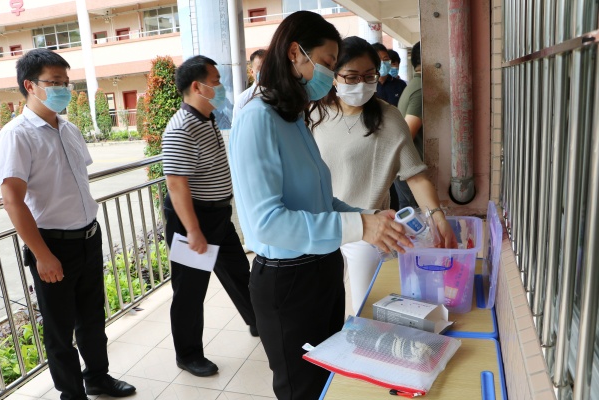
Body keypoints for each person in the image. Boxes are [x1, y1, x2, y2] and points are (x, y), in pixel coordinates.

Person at [229, 11, 415, 400]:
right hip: (288, 282)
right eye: (328, 63)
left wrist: (368, 217)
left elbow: (321, 200)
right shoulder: (257, 118)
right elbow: (267, 223)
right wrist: (360, 228)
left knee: (328, 381)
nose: (330, 76)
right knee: (303, 388)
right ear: (295, 53)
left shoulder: (294, 117)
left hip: (323, 269)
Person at [0, 48, 135, 400]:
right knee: (59, 330)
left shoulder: (69, 128)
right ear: (30, 85)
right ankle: (72, 394)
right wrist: (42, 255)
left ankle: (98, 378)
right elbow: (12, 200)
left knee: (92, 318)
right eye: (54, 82)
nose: (63, 89)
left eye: (65, 82)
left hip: (88, 237)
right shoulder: (17, 134)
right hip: (52, 244)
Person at [312, 36, 457, 314]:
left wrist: (437, 217)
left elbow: (415, 176)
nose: (361, 84)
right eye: (352, 76)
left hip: (368, 230)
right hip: (323, 226)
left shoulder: (388, 118)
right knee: (323, 309)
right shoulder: (315, 113)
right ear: (334, 76)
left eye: (369, 76)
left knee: (366, 311)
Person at [162, 55, 258, 378]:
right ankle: (188, 355)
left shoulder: (206, 118)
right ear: (197, 86)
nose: (221, 87)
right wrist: (193, 231)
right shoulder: (181, 127)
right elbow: (176, 185)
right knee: (190, 290)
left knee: (238, 271)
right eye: (216, 82)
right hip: (193, 218)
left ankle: (257, 321)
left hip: (217, 215)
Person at [395, 41, 423, 209]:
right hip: (411, 173)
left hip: (406, 171)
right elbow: (406, 135)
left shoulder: (414, 85)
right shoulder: (420, 89)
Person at [232, 48, 266, 122]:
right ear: (251, 72)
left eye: (267, 67)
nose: (265, 72)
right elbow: (237, 126)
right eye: (260, 68)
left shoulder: (281, 95)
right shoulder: (243, 100)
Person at [372, 42, 406, 107]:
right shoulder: (367, 85)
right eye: (378, 60)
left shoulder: (401, 85)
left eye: (385, 59)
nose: (383, 63)